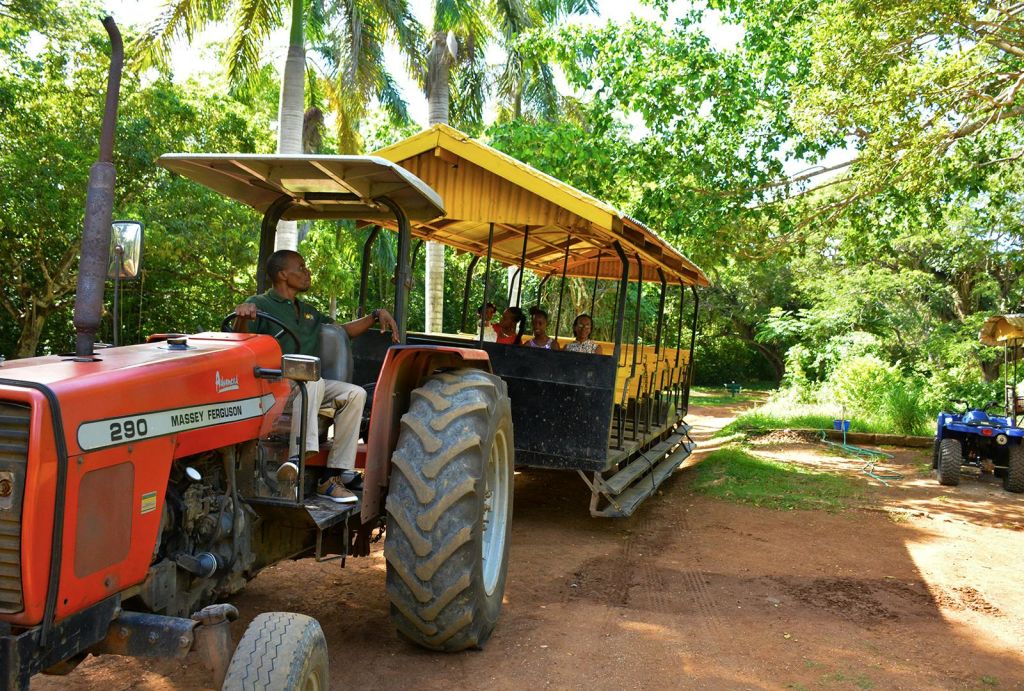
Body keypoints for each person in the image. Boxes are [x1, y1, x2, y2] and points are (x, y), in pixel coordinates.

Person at [235, 250, 399, 504]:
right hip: (273, 388)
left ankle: (331, 476)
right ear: (282, 274)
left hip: (308, 386)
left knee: (355, 394)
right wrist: (243, 316)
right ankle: (297, 460)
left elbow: (342, 331)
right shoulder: (260, 304)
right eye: (300, 268)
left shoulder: (309, 311)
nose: (306, 272)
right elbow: (241, 339)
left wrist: (376, 315)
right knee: (311, 381)